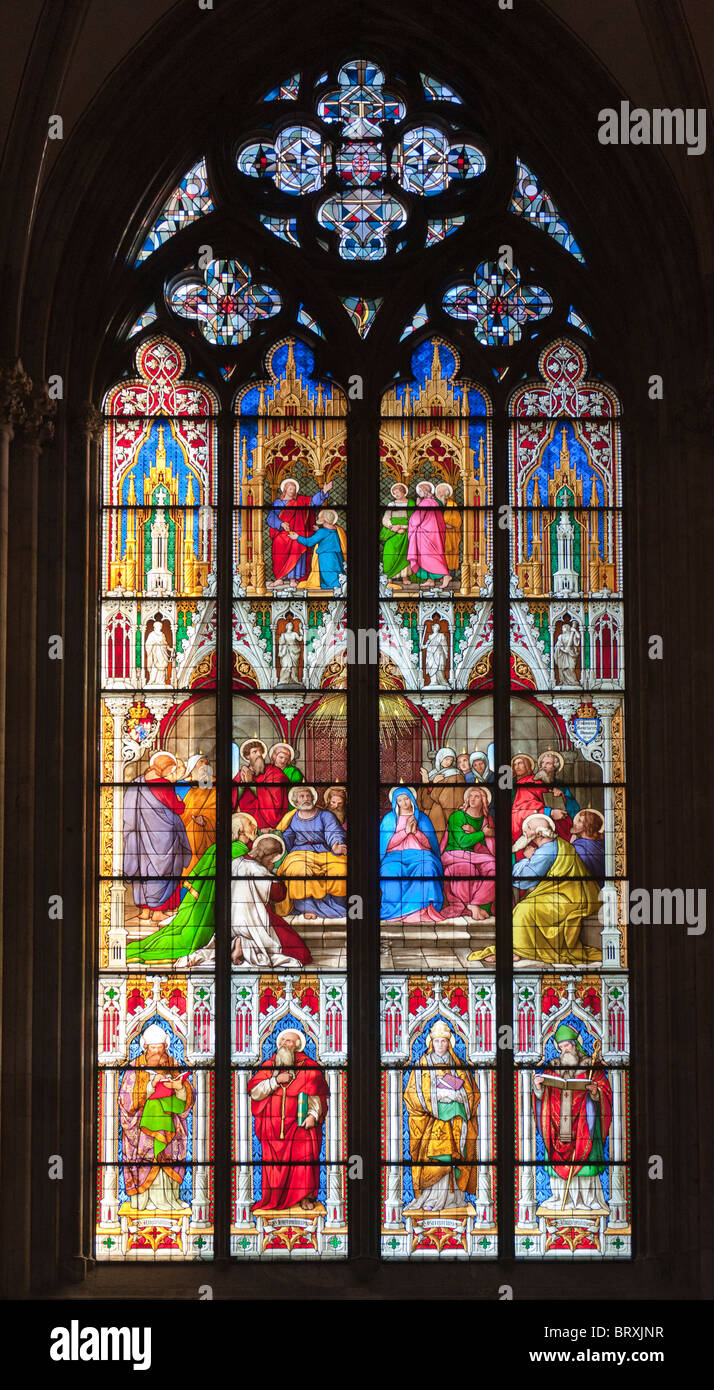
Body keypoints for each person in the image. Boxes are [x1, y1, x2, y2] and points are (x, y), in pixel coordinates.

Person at [126, 811, 257, 966]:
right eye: (250, 824)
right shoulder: (239, 851)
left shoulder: (219, 848)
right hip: (216, 905)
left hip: (211, 904)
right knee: (187, 938)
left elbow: (197, 875)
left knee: (179, 934)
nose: (255, 827)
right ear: (240, 831)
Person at [471, 813, 601, 965]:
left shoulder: (546, 851)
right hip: (566, 893)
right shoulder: (551, 845)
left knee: (525, 910)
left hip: (570, 898)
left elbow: (523, 879)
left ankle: (517, 951)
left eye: (528, 828)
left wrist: (527, 858)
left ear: (539, 833)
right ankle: (516, 948)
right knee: (524, 908)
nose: (524, 831)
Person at [248, 1028, 329, 1212]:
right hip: (272, 1128)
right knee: (273, 1165)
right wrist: (276, 1080)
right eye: (283, 1040)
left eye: (289, 1041)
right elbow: (254, 1091)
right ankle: (274, 1198)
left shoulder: (309, 1067)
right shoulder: (270, 1065)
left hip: (299, 1126)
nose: (284, 1044)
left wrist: (313, 1115)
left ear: (298, 1046)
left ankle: (305, 1197)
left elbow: (316, 1095)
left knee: (305, 1158)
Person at [533, 1025, 612, 1212]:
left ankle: (588, 1200)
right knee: (556, 1159)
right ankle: (561, 1198)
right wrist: (538, 1087)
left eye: (567, 1046)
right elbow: (541, 1098)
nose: (563, 1050)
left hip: (585, 1124)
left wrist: (595, 1092)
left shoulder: (592, 1067)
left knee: (586, 1164)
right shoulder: (552, 1068)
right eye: (560, 1047)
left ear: (576, 1045)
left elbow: (606, 1093)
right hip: (557, 1125)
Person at [118, 1023, 194, 1213]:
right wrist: (150, 1087)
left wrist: (180, 1089)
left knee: (169, 1158)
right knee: (146, 1158)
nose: (157, 1052)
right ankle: (143, 1200)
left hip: (171, 1126)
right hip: (142, 1130)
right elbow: (125, 1099)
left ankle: (171, 1199)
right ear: (145, 1047)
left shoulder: (174, 1065)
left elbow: (189, 1099)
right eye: (153, 1048)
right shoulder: (134, 1067)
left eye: (161, 1048)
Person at [404, 1021, 479, 1211]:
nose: (440, 1045)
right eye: (436, 1041)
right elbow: (411, 1095)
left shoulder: (458, 1065)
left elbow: (472, 1094)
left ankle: (453, 1199)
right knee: (434, 1159)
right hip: (431, 1125)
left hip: (456, 1124)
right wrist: (437, 1099)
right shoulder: (423, 1064)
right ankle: (431, 1198)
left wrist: (457, 1096)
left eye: (444, 1041)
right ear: (431, 1042)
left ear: (449, 1043)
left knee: (455, 1159)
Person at [123, 751, 191, 924]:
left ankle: (144, 911)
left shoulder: (138, 782)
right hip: (163, 838)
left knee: (142, 868)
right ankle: (158, 912)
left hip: (141, 837)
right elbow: (177, 808)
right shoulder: (163, 785)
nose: (171, 773)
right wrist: (178, 800)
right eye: (171, 769)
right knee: (163, 869)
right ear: (166, 768)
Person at [230, 833, 311, 968]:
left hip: (231, 918)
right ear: (269, 855)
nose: (273, 862)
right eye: (273, 858)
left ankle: (238, 942)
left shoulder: (234, 862)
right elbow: (279, 895)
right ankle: (244, 945)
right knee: (301, 953)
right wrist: (273, 875)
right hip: (253, 920)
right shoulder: (259, 870)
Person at [275, 786, 347, 918]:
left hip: (326, 851)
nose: (306, 799)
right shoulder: (292, 819)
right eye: (302, 797)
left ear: (313, 798)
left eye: (308, 796)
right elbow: (286, 839)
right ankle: (307, 907)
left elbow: (334, 831)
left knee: (341, 869)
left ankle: (340, 905)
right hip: (300, 854)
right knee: (298, 871)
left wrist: (336, 845)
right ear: (295, 802)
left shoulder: (326, 815)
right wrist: (276, 843)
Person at [379, 786, 443, 922]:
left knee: (427, 867)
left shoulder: (422, 819)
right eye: (400, 800)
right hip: (394, 856)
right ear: (395, 803)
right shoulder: (389, 819)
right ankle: (394, 911)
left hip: (421, 855)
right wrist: (405, 832)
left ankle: (422, 910)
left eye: (406, 799)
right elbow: (385, 846)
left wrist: (416, 833)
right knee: (388, 870)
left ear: (412, 799)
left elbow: (429, 845)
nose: (404, 803)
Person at [440, 785, 496, 920]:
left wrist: (479, 833)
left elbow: (489, 844)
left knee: (494, 867)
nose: (472, 799)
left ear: (484, 801)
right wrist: (482, 833)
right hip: (455, 854)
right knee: (466, 868)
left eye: (477, 796)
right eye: (470, 796)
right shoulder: (457, 816)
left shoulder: (486, 820)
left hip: (479, 855)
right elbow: (463, 842)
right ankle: (470, 906)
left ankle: (476, 903)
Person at [267, 476, 332, 587]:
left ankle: (293, 578)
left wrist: (323, 492)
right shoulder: (278, 502)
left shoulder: (301, 501)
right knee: (279, 542)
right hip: (282, 533)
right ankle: (280, 577)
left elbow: (312, 502)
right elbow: (271, 517)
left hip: (297, 532)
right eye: (290, 488)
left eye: (294, 489)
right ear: (285, 489)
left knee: (297, 543)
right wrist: (281, 524)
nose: (292, 491)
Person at [283, 507, 346, 591]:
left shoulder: (322, 531)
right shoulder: (336, 529)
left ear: (324, 519)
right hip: (336, 556)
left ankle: (333, 589)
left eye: (320, 517)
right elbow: (327, 534)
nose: (319, 518)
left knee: (329, 576)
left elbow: (309, 542)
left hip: (326, 557)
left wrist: (297, 537)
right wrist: (319, 530)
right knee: (336, 572)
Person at [232, 737, 291, 824]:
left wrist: (251, 783)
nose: (259, 754)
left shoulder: (273, 771)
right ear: (247, 756)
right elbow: (232, 798)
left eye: (260, 751)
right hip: (246, 821)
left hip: (266, 822)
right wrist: (242, 785)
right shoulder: (242, 774)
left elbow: (276, 801)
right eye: (254, 752)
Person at [407, 480, 451, 588]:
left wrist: (411, 521)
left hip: (426, 535)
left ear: (424, 491)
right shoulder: (435, 502)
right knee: (430, 556)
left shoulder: (426, 502)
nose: (419, 493)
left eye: (420, 491)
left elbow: (417, 518)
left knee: (430, 557)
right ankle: (430, 579)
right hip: (433, 534)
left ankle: (445, 575)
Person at [419, 746, 465, 842]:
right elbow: (425, 803)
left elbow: (446, 799)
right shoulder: (433, 774)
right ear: (439, 759)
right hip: (430, 814)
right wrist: (427, 783)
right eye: (446, 759)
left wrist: (433, 785)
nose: (448, 762)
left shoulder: (456, 775)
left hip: (444, 814)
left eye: (451, 760)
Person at [180, 753, 216, 875]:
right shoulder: (191, 791)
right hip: (188, 837)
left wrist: (205, 820)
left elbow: (217, 809)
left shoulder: (215, 786)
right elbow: (184, 816)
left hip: (207, 834)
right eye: (201, 762)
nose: (205, 766)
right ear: (192, 768)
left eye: (206, 763)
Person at [533, 749, 579, 841]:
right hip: (539, 824)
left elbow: (575, 808)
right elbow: (529, 805)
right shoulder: (533, 784)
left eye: (548, 763)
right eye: (542, 763)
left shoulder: (560, 785)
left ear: (555, 767)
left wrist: (563, 797)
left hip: (560, 825)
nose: (543, 766)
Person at [380, 482, 414, 582]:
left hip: (406, 533)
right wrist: (392, 527)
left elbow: (413, 519)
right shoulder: (392, 504)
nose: (396, 495)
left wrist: (402, 527)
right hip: (392, 533)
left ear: (404, 492)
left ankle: (405, 577)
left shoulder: (411, 504)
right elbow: (385, 518)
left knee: (405, 555)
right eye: (394, 493)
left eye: (398, 492)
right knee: (389, 554)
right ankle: (389, 576)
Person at [570, 808, 606, 885]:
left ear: (588, 826)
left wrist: (571, 844)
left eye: (579, 821)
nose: (575, 823)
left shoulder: (578, 847)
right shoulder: (602, 842)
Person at [434, 481, 461, 575]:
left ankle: (450, 573)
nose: (438, 494)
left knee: (450, 552)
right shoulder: (434, 505)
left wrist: (445, 525)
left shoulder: (453, 505)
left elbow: (457, 521)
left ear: (446, 493)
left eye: (441, 491)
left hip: (450, 534)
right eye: (438, 491)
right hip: (437, 534)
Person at [554, 617, 581, 686]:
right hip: (563, 654)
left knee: (571, 668)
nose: (562, 629)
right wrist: (563, 649)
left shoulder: (572, 635)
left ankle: (573, 681)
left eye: (564, 627)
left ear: (567, 628)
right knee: (563, 668)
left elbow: (578, 638)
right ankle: (563, 681)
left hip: (571, 654)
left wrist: (575, 630)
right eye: (562, 628)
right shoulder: (561, 636)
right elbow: (558, 645)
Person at [422, 620, 449, 687]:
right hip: (430, 654)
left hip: (439, 653)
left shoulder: (441, 635)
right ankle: (433, 681)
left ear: (438, 628)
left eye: (436, 627)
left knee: (439, 667)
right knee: (431, 666)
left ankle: (441, 681)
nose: (434, 628)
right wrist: (423, 646)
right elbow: (427, 645)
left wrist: (446, 653)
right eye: (433, 627)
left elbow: (444, 645)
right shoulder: (430, 636)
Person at [145, 620, 172, 686]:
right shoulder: (152, 634)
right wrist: (155, 643)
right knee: (155, 666)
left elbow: (165, 643)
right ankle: (152, 680)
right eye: (158, 626)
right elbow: (147, 644)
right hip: (155, 652)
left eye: (160, 626)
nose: (159, 627)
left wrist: (170, 649)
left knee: (163, 666)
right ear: (155, 627)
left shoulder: (162, 634)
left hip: (163, 652)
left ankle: (161, 681)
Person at [276, 621, 303, 685]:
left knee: (294, 667)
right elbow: (281, 644)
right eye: (290, 625)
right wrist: (280, 651)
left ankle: (294, 679)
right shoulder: (283, 635)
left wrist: (300, 630)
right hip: (286, 652)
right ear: (287, 627)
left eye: (292, 625)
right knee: (286, 666)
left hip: (294, 651)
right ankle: (283, 680)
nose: (291, 626)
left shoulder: (294, 634)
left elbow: (300, 639)